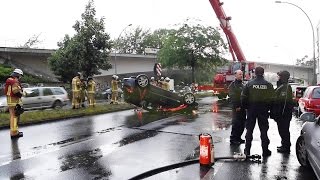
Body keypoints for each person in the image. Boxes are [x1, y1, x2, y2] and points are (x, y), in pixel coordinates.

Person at [241, 66, 274, 157]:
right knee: (264, 131)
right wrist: (269, 109)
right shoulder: (268, 85)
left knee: (249, 130)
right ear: (263, 73)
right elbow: (273, 99)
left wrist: (246, 108)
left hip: (251, 110)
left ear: (255, 73)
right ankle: (265, 150)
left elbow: (243, 98)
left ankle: (247, 151)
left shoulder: (249, 84)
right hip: (263, 111)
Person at [271, 70, 293, 153]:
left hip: (284, 115)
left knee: (284, 131)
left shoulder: (286, 87)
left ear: (283, 77)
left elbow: (284, 103)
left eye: (279, 76)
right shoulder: (282, 86)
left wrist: (280, 114)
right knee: (282, 130)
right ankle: (284, 144)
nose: (278, 77)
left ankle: (286, 146)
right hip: (281, 115)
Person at [5, 68, 24, 138]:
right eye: (20, 76)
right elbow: (16, 91)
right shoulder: (14, 81)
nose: (20, 77)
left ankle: (15, 131)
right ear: (17, 75)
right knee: (14, 117)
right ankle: (14, 133)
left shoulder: (9, 80)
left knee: (13, 116)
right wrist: (22, 93)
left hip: (10, 101)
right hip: (14, 101)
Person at [229, 70, 246, 145]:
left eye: (241, 74)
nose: (241, 75)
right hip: (237, 108)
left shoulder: (242, 84)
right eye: (239, 74)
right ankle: (233, 139)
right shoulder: (233, 85)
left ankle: (238, 137)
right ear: (235, 76)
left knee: (242, 124)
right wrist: (237, 106)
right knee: (236, 124)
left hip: (243, 108)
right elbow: (233, 97)